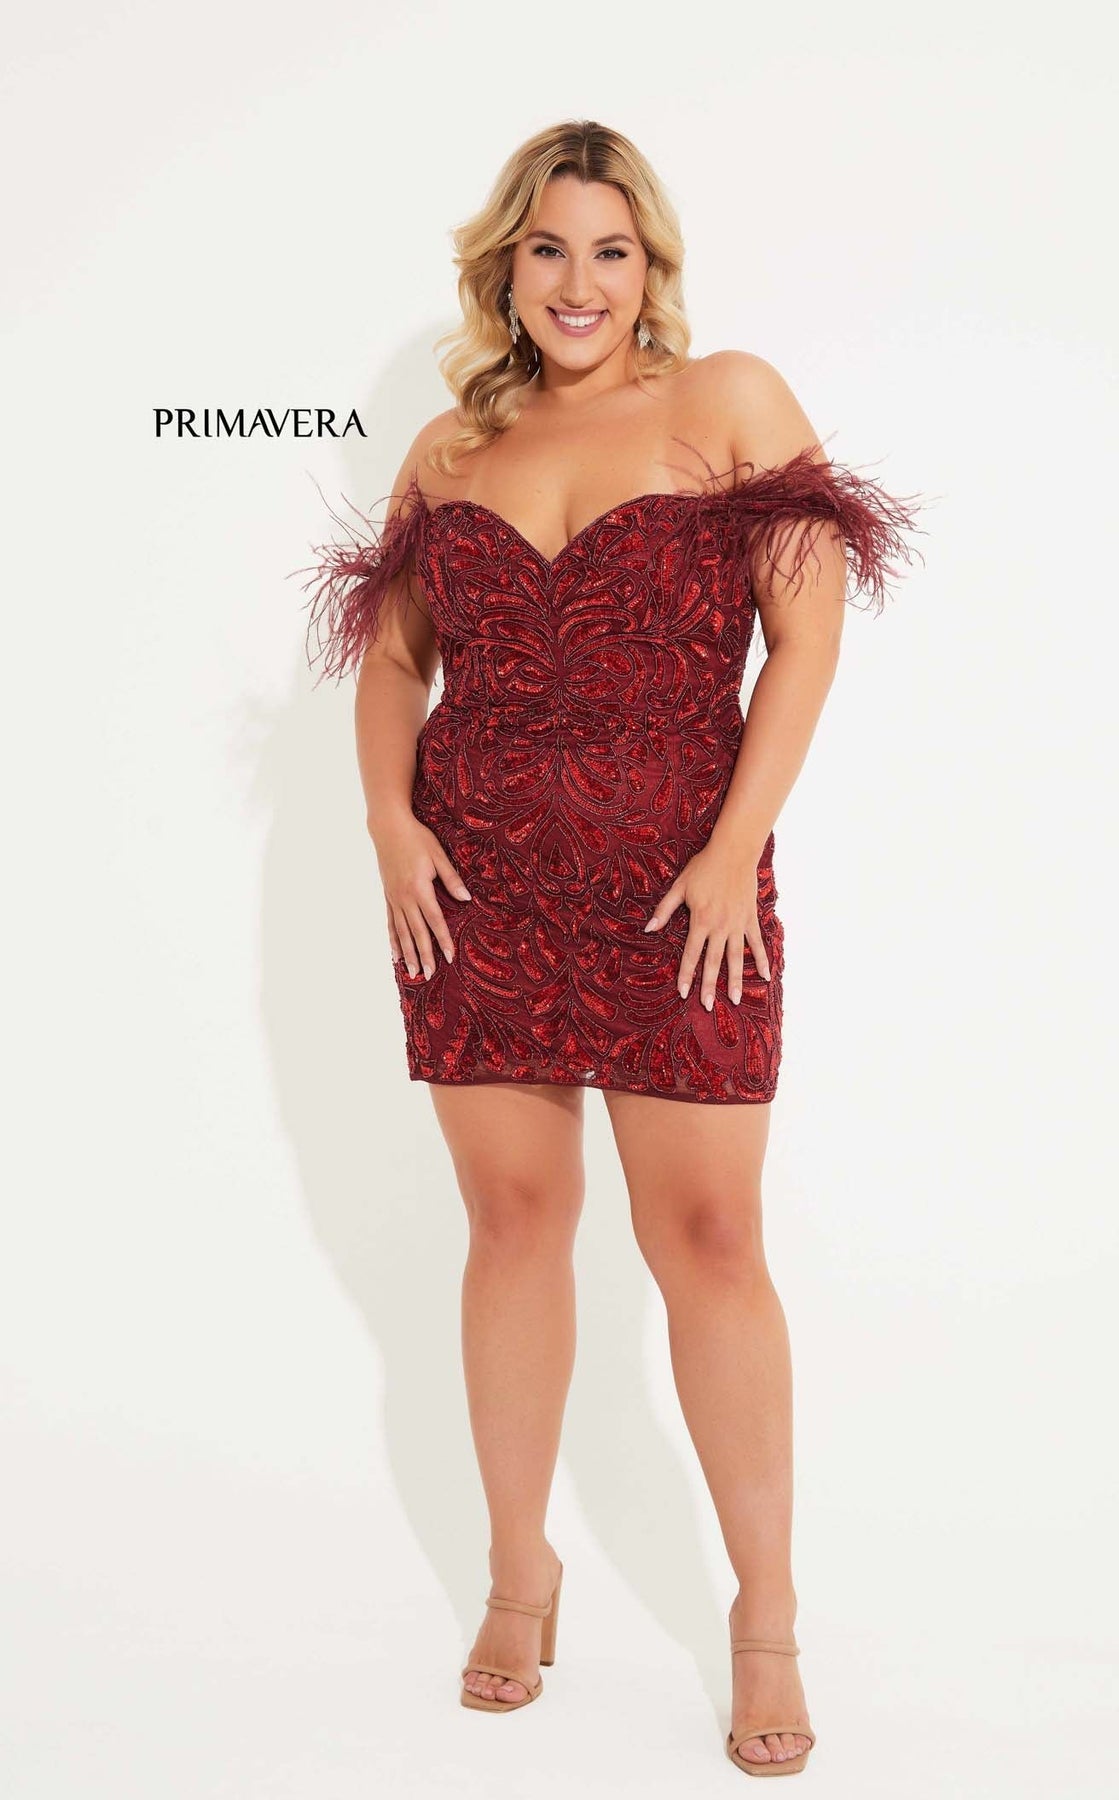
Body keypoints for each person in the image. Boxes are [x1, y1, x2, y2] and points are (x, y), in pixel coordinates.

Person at [298, 119, 923, 1777]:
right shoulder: (451, 446)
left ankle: (766, 1614)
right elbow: (393, 662)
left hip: (681, 899)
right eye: (548, 249)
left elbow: (805, 640)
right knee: (512, 1224)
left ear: (652, 266)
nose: (578, 283)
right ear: (505, 266)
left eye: (611, 251)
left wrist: (732, 854)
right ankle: (520, 1576)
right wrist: (389, 822)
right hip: (479, 891)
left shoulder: (729, 400)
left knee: (709, 1237)